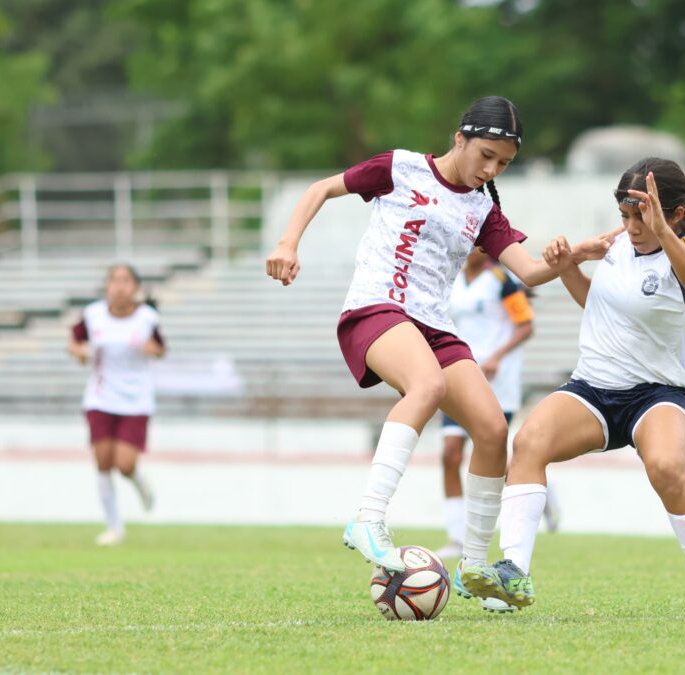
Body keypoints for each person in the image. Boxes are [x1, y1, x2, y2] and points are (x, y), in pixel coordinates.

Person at [264, 96, 616, 590]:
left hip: (432, 324)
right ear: (460, 139)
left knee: (493, 429)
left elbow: (532, 272)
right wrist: (287, 243)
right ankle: (368, 517)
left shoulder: (484, 207)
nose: (490, 169)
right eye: (485, 156)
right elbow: (322, 188)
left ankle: (474, 563)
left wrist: (574, 253)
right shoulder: (399, 168)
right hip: (375, 308)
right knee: (425, 386)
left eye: (504, 163)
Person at [461, 158, 685, 622]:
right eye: (625, 216)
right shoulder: (614, 245)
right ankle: (513, 572)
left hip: (658, 394)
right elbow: (597, 304)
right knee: (527, 442)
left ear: (673, 213)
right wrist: (567, 265)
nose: (630, 228)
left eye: (641, 217)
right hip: (593, 387)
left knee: (667, 467)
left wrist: (664, 235)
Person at [438, 247, 561, 561]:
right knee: (450, 454)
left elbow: (526, 325)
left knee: (491, 455)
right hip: (460, 375)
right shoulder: (452, 279)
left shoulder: (501, 279)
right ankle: (456, 537)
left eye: (478, 243)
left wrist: (495, 357)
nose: (470, 248)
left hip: (496, 380)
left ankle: (539, 490)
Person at [67, 264, 164, 546]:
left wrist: (152, 350)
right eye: (115, 280)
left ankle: (139, 481)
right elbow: (74, 341)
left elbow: (160, 349)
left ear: (135, 287)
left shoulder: (147, 318)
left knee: (124, 464)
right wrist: (79, 352)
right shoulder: (93, 315)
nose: (120, 286)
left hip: (136, 400)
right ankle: (114, 527)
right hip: (100, 397)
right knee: (103, 462)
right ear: (107, 286)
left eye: (126, 281)